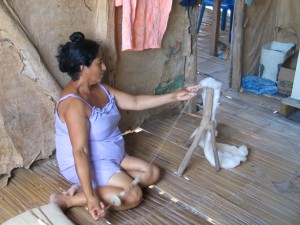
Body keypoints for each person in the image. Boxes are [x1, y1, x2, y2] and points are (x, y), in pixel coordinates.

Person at [50, 31, 201, 221]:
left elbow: (135, 102)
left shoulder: (99, 88)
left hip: (109, 153)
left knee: (152, 173)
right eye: (99, 63)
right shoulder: (74, 105)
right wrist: (90, 198)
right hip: (86, 160)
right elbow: (80, 152)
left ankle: (90, 188)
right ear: (83, 68)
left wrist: (175, 95)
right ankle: (67, 201)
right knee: (133, 195)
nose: (104, 67)